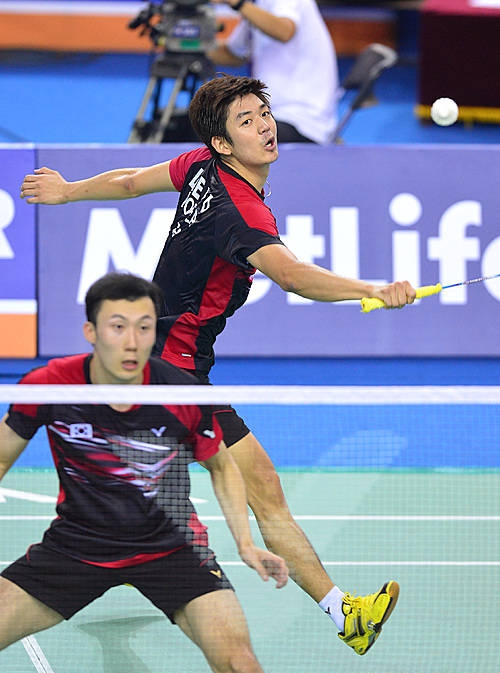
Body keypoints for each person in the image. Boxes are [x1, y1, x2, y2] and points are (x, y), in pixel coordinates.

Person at [19, 74, 416, 656]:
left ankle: (131, 564)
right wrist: (373, 290)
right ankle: (344, 614)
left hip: (171, 366)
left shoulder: (201, 166)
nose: (264, 126)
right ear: (223, 143)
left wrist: (68, 191)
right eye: (246, 121)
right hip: (169, 374)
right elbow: (291, 275)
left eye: (263, 113)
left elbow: (130, 182)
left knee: (157, 499)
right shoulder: (240, 211)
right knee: (253, 490)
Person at [0, 271, 288, 671]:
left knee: (240, 662)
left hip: (173, 549)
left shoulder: (180, 392)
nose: (132, 342)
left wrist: (245, 543)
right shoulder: (51, 386)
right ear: (91, 331)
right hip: (77, 548)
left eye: (144, 327)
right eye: (118, 327)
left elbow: (222, 466)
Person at [208, 0, 339, 144]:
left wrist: (238, 3)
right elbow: (233, 54)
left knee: (224, 136)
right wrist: (192, 45)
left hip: (302, 122)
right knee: (198, 125)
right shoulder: (255, 7)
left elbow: (285, 31)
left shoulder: (260, 5)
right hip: (270, 117)